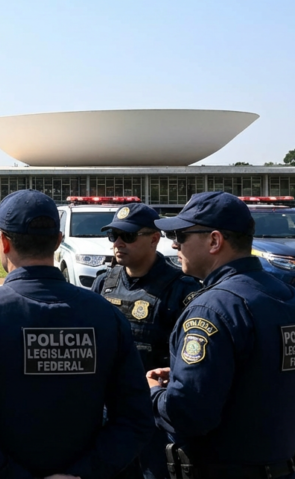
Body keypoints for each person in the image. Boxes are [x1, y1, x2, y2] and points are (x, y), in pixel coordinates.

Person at [0, 190, 155, 479]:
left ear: (3, 241)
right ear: (58, 240)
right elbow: (135, 419)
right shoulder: (106, 315)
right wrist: (84, 473)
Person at [150, 192, 295, 477]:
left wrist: (155, 393)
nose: (174, 243)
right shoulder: (293, 299)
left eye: (181, 234)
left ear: (215, 241)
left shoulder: (213, 308)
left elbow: (189, 415)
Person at [92, 203, 200, 478]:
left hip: (155, 420)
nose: (117, 243)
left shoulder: (181, 289)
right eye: (113, 235)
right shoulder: (103, 283)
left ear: (154, 239)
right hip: (108, 417)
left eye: (127, 236)